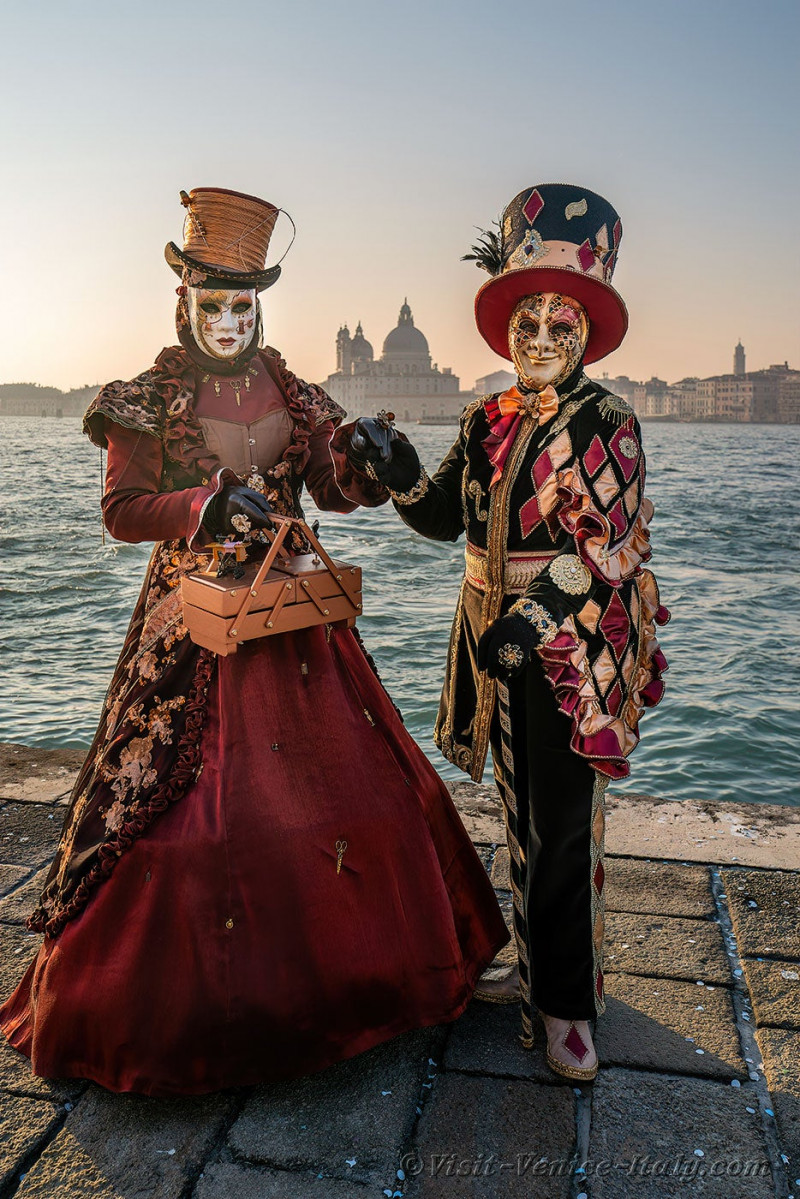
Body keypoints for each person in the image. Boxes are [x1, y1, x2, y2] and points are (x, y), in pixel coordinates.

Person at [0, 186, 508, 1096]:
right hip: (191, 619)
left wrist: (370, 461)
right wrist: (199, 504)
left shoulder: (294, 386)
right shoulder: (146, 395)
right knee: (192, 815)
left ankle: (356, 986)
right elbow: (120, 512)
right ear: (185, 303)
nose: (230, 321)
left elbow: (330, 479)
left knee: (357, 796)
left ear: (260, 305)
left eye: (244, 305)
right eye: (214, 306)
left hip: (290, 608)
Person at [347, 183, 669, 1081]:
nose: (535, 344)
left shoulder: (609, 421)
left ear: (584, 334)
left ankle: (567, 1004)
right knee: (517, 809)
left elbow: (606, 546)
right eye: (523, 327)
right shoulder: (482, 417)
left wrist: (529, 623)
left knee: (563, 823)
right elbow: (445, 515)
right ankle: (534, 969)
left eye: (555, 328)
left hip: (571, 654)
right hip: (489, 638)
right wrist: (398, 470)